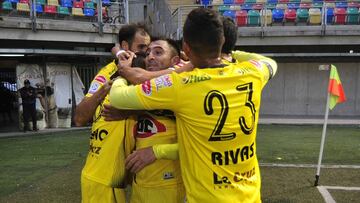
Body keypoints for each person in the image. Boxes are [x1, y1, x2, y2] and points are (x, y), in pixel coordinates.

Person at [109, 8, 277, 202]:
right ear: (221, 41)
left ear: (186, 50)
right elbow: (269, 62)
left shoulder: (181, 84)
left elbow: (118, 97)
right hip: (251, 197)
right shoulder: (253, 73)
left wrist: (123, 71)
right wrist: (226, 51)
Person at [75, 23, 151, 203]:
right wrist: (103, 91)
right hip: (102, 177)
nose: (145, 53)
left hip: (132, 177)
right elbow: (79, 118)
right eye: (141, 47)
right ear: (126, 47)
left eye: (148, 48)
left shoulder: (145, 73)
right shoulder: (107, 73)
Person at [114, 38, 185, 203]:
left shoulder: (184, 90)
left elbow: (196, 147)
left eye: (158, 52)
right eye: (148, 53)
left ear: (175, 61)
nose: (150, 57)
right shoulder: (145, 91)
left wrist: (156, 151)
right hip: (140, 186)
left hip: (170, 188)